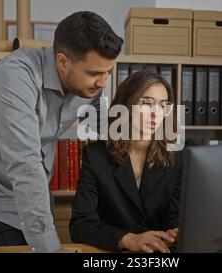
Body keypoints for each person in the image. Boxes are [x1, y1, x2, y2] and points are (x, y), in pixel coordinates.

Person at [0, 11, 123, 253]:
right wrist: (50, 248)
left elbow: (105, 125)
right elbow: (24, 163)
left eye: (107, 72)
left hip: (36, 197)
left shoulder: (87, 86)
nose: (102, 83)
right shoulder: (15, 76)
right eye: (95, 73)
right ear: (63, 62)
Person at [70, 71, 182, 253]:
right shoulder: (96, 156)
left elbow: (173, 214)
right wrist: (127, 239)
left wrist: (175, 230)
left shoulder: (176, 156)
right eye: (147, 103)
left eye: (163, 105)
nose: (156, 113)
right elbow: (80, 225)